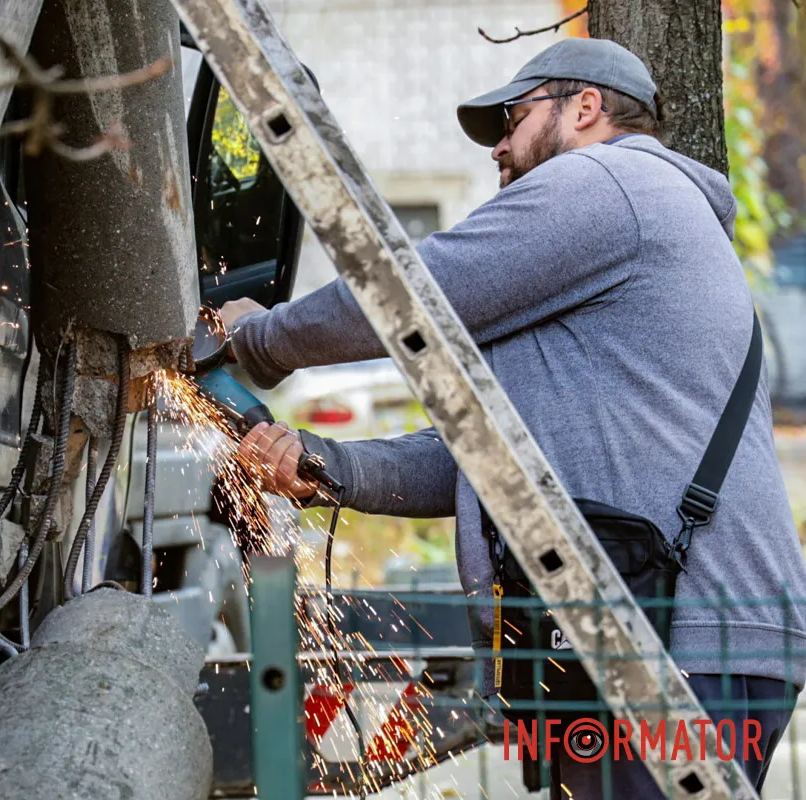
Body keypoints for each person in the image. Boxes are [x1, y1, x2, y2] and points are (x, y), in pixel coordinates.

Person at [221, 38, 806, 796]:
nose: (498, 147)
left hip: (675, 640)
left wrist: (255, 338)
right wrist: (327, 466)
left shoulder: (608, 182)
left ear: (585, 108)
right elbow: (488, 464)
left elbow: (411, 290)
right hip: (660, 637)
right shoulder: (612, 243)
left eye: (514, 119)